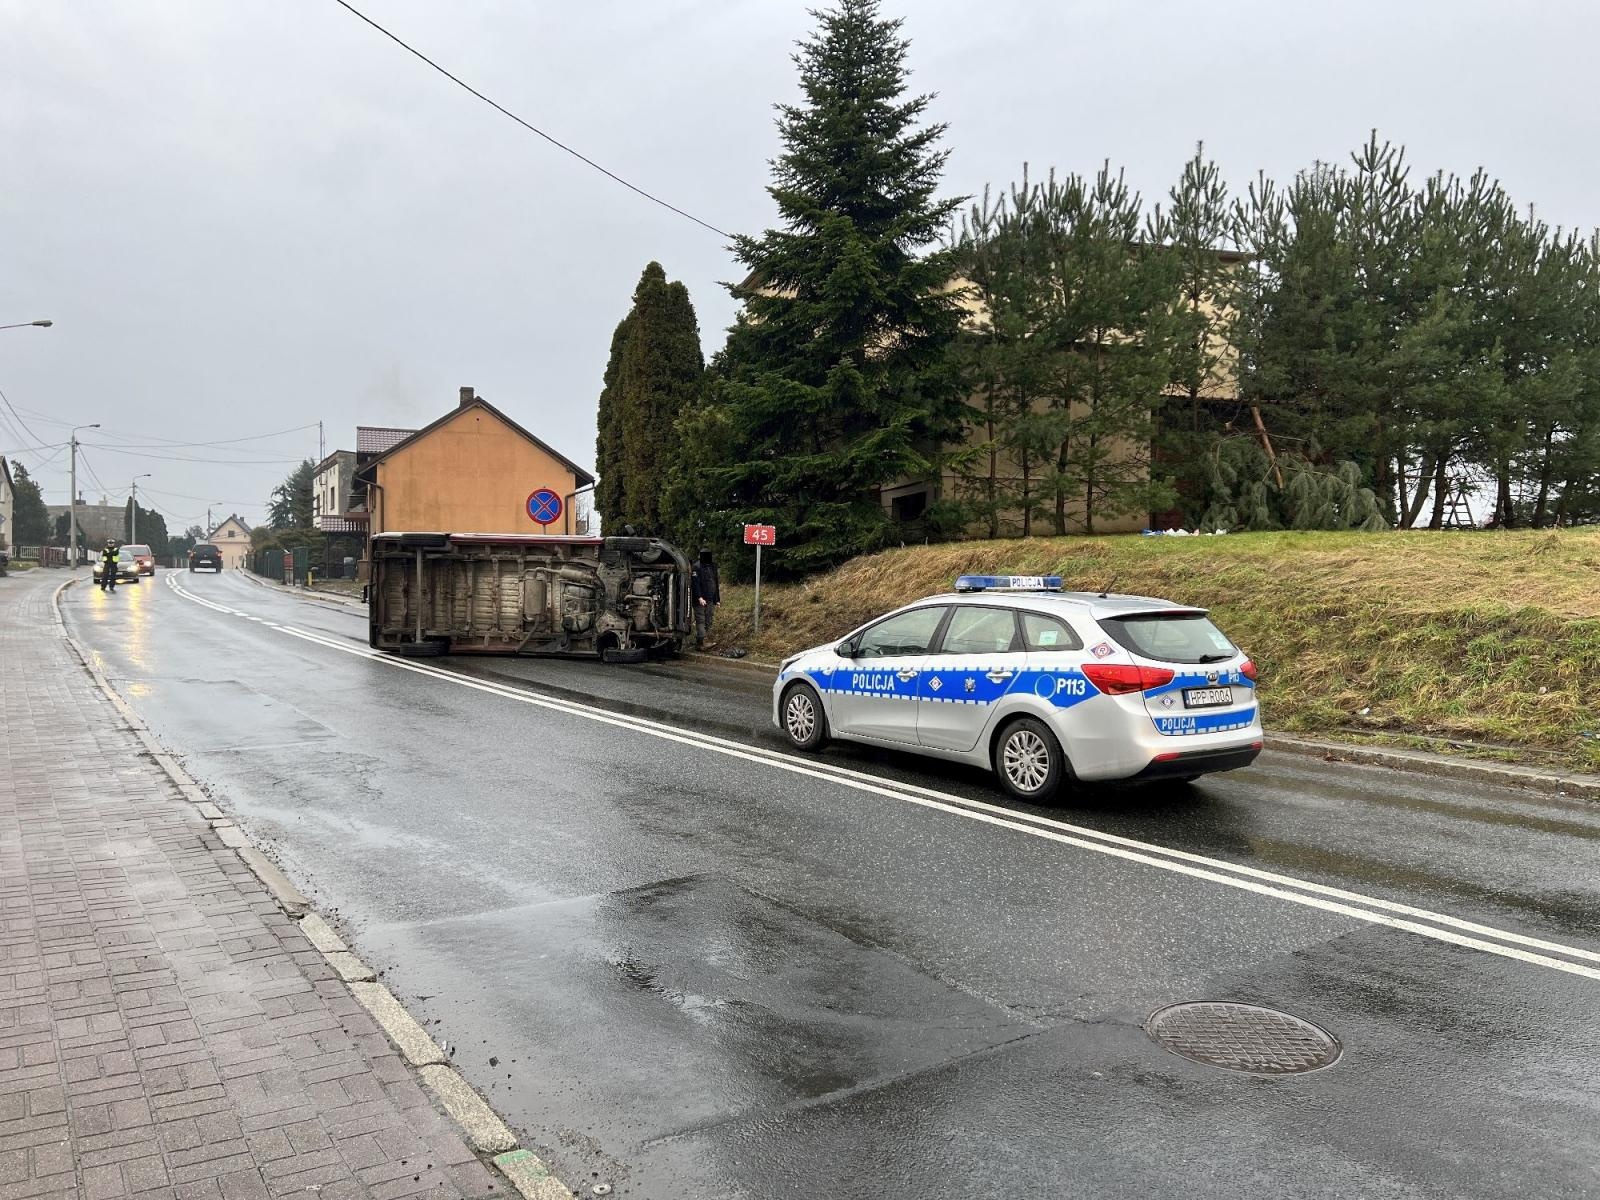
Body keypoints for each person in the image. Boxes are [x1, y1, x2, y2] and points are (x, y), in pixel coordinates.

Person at [690, 548, 720, 649]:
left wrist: (717, 599)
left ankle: (699, 641)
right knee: (701, 620)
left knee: (709, 620)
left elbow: (715, 583)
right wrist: (699, 597)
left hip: (710, 598)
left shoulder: (712, 566)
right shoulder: (696, 567)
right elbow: (695, 584)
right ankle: (701, 643)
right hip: (700, 600)